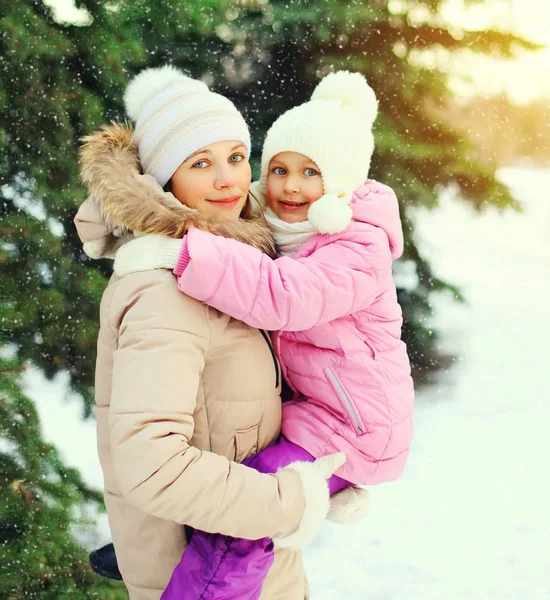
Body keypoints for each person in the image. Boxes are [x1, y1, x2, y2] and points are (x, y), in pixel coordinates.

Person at [114, 70, 415, 600]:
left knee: (240, 526)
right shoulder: (282, 231)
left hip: (350, 425)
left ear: (341, 180)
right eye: (278, 169)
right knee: (244, 504)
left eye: (311, 172)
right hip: (317, 416)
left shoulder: (355, 247)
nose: (291, 186)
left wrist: (182, 250)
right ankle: (174, 557)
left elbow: (284, 295)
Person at [74, 66, 353, 600]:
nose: (228, 179)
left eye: (235, 156)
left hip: (252, 561)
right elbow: (150, 462)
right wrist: (288, 500)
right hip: (205, 575)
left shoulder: (229, 268)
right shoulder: (165, 290)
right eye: (201, 163)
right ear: (163, 179)